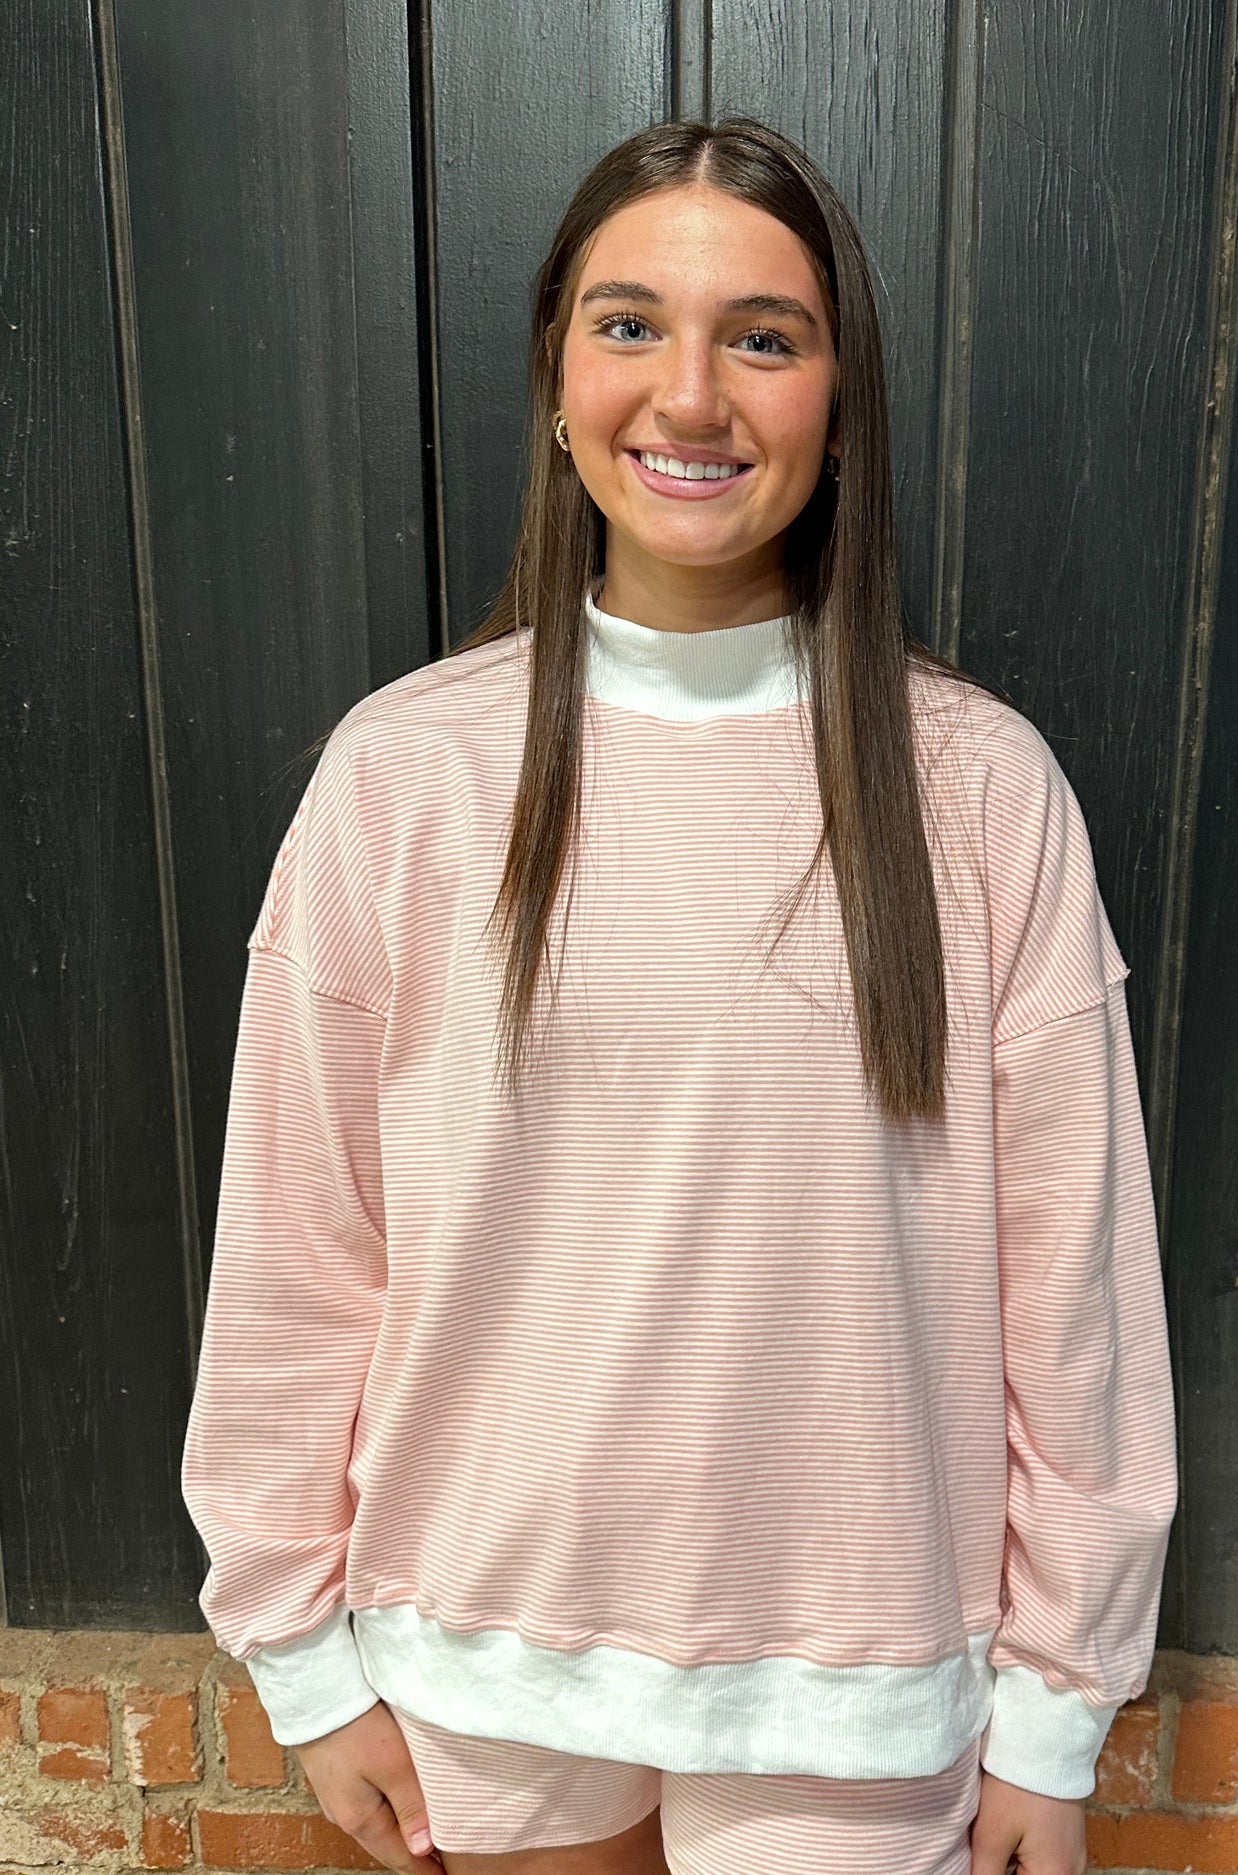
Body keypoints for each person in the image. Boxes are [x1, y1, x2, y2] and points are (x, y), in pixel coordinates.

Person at [180, 115, 1178, 1875]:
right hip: (479, 1651)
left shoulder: (977, 789)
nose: (692, 397)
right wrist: (302, 1659)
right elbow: (299, 1251)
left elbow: (1074, 1297)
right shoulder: (404, 776)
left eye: (765, 338)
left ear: (841, 403)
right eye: (630, 324)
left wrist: (1056, 1710)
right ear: (557, 375)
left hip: (860, 1677)